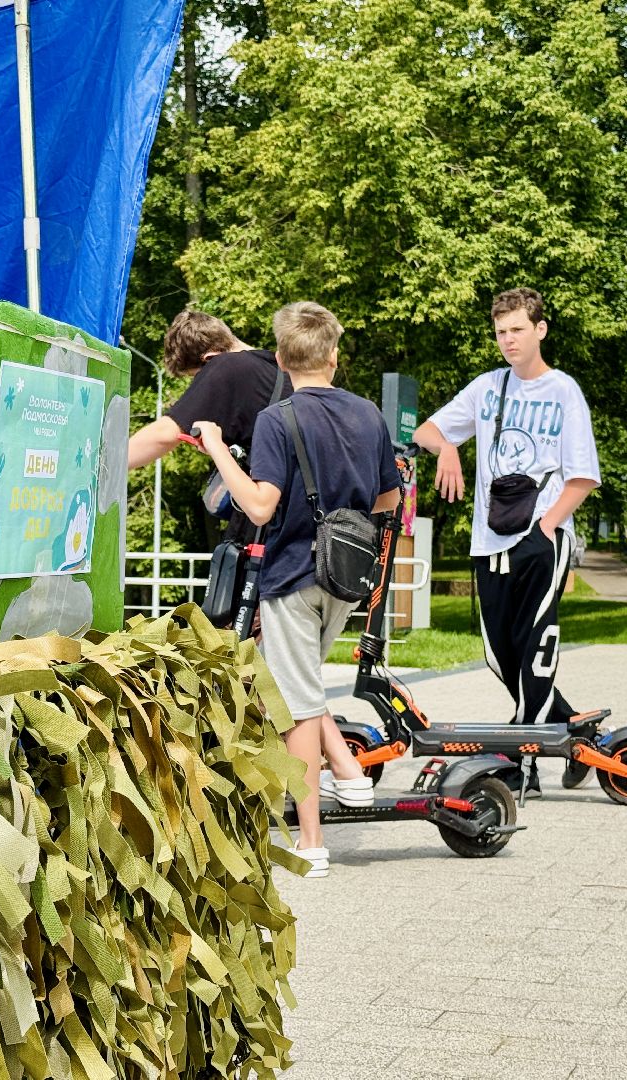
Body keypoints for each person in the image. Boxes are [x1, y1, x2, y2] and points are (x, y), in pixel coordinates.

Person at [193, 302, 400, 879]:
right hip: (346, 578)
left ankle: (312, 842)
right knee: (297, 682)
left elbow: (260, 506)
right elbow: (388, 499)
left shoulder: (276, 419)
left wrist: (216, 448)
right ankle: (348, 773)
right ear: (333, 356)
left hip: (292, 578)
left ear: (282, 361)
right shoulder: (369, 415)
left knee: (298, 709)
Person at [413, 287, 601, 788]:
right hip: (489, 540)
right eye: (501, 332)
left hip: (542, 537)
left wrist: (547, 525)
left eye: (517, 329)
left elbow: (583, 475)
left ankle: (524, 764)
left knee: (535, 647)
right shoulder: (488, 387)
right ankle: (575, 733)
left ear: (540, 330)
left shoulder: (563, 391)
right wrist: (448, 448)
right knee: (502, 656)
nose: (508, 340)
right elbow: (426, 431)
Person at [126, 310, 291, 471]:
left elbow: (165, 434)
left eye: (198, 377)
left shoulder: (225, 365)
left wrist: (113, 460)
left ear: (210, 359)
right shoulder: (278, 368)